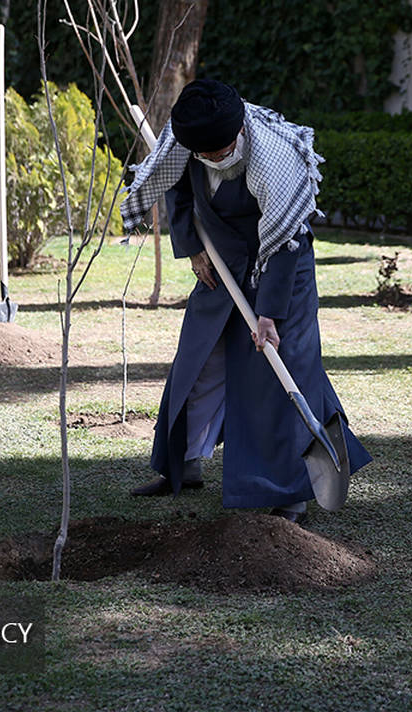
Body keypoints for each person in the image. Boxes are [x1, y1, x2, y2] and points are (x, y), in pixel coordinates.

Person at [120, 79, 370, 523]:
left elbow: (288, 241)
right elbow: (177, 188)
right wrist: (192, 249)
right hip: (220, 265)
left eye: (220, 153)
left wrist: (269, 315)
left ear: (238, 132)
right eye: (206, 155)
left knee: (278, 375)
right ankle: (185, 464)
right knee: (198, 362)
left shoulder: (275, 159)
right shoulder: (185, 140)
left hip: (282, 270)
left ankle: (289, 494)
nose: (214, 160)